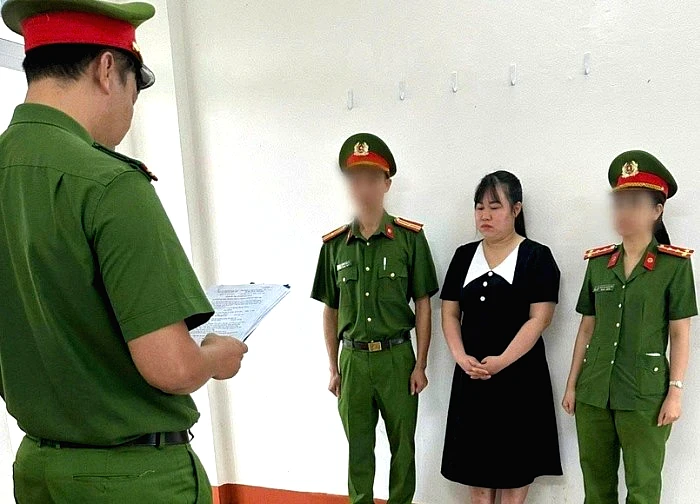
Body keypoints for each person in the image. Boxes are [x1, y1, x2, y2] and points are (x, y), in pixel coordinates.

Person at [0, 1, 248, 502]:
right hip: (134, 479)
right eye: (135, 93)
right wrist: (215, 358)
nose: (130, 112)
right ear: (107, 69)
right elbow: (172, 367)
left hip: (37, 471)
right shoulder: (109, 184)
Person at [562, 150, 697, 504]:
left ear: (657, 210)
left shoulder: (674, 266)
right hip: (594, 391)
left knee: (643, 487)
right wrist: (572, 384)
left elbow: (680, 334)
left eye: (635, 203)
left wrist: (675, 392)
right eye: (619, 203)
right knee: (596, 487)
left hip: (644, 395)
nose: (624, 212)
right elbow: (586, 329)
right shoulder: (598, 264)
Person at [311, 133, 439, 504]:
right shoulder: (335, 246)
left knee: (403, 448)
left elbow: (423, 303)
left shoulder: (409, 239)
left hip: (397, 359)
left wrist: (421, 364)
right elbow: (330, 309)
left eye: (371, 179)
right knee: (358, 451)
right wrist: (334, 367)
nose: (363, 188)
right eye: (355, 180)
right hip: (352, 361)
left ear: (387, 184)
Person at [440, 171, 563, 504]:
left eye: (495, 207)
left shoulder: (537, 256)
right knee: (475, 471)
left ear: (516, 209)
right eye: (479, 207)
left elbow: (540, 319)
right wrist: (461, 357)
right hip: (472, 374)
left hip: (519, 377)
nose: (485, 215)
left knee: (514, 470)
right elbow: (450, 313)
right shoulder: (464, 256)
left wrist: (502, 361)